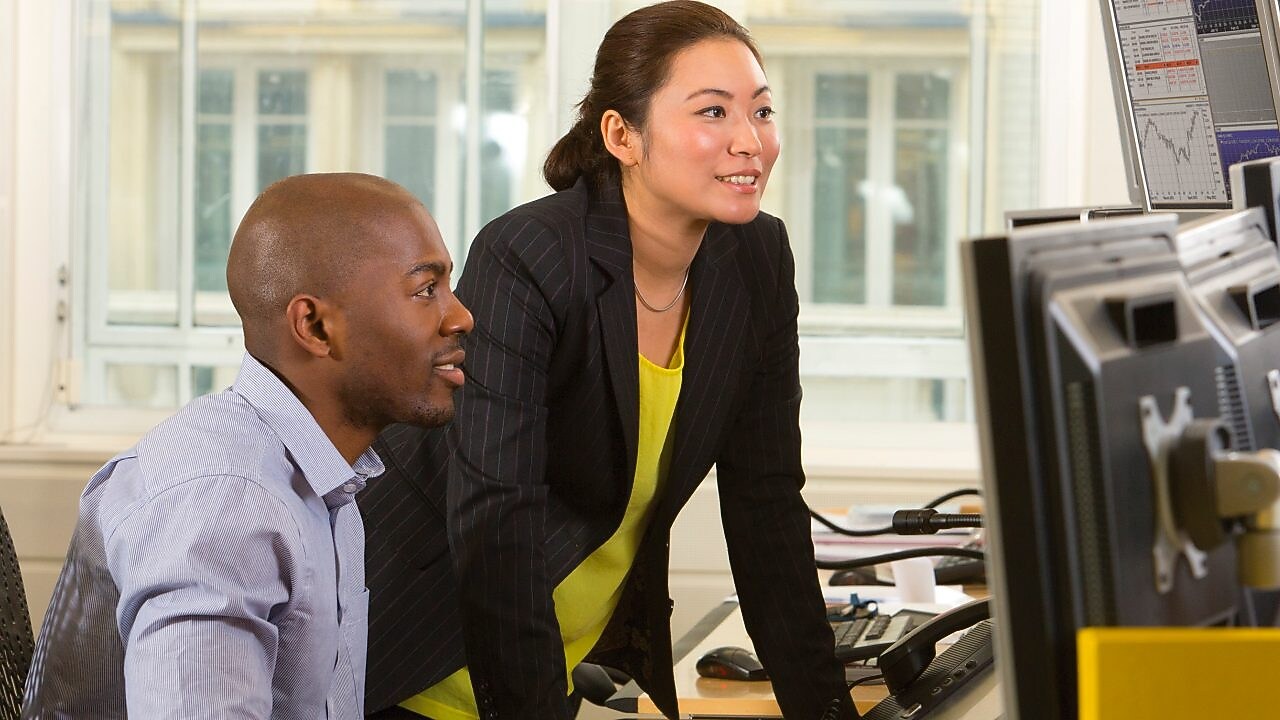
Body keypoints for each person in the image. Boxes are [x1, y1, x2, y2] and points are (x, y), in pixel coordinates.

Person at [361, 2, 858, 719]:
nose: (750, 141)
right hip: (420, 657)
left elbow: (767, 503)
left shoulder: (755, 258)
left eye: (762, 111)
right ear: (622, 135)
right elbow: (496, 523)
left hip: (552, 664)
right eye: (713, 112)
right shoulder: (531, 254)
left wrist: (828, 710)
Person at [21, 173, 474, 719]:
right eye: (426, 290)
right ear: (315, 327)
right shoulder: (225, 510)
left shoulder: (324, 481)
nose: (461, 316)